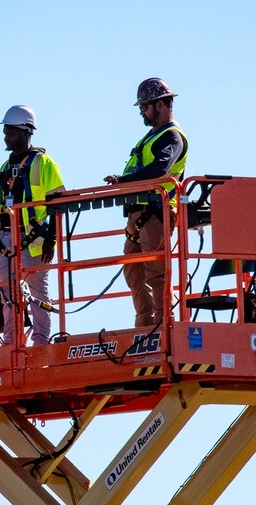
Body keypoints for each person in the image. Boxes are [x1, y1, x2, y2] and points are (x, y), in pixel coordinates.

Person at [104, 77, 188, 328]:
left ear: (161, 105)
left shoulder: (172, 137)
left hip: (156, 214)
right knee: (133, 271)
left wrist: (124, 180)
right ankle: (145, 325)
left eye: (145, 106)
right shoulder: (150, 137)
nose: (142, 112)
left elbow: (160, 169)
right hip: (138, 217)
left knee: (156, 274)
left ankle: (165, 326)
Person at [0, 105, 65, 346]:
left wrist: (51, 239)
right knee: (8, 295)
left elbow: (58, 203)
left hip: (34, 240)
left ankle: (41, 342)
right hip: (5, 240)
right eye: (5, 131)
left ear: (26, 131)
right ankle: (11, 343)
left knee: (38, 294)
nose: (6, 136)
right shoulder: (5, 167)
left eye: (10, 131)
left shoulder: (44, 164)